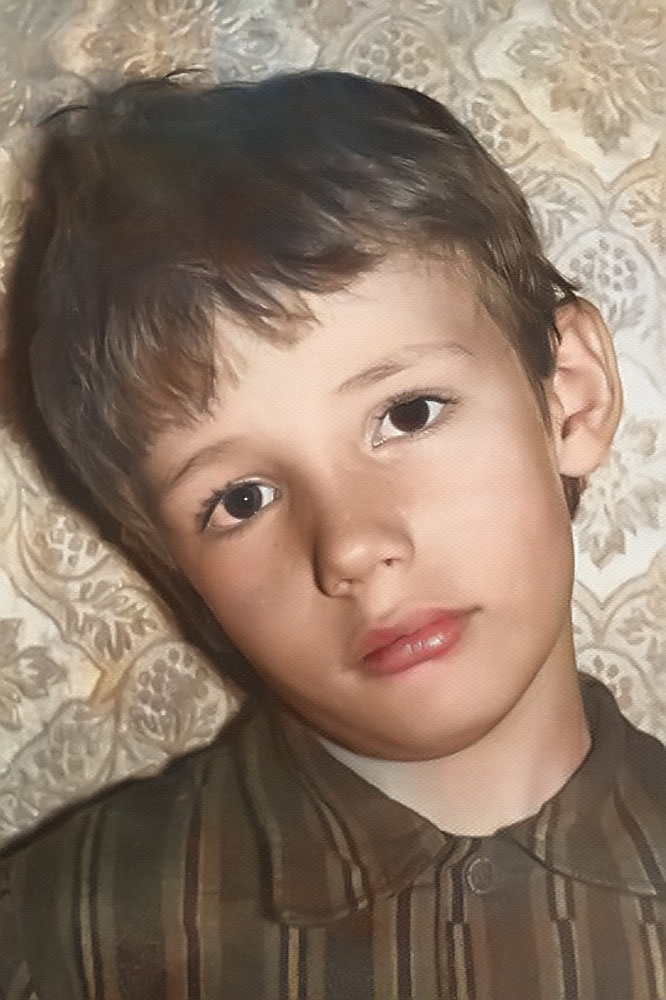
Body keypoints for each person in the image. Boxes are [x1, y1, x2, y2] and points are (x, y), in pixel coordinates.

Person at [0, 70, 664, 1000]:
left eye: (409, 413)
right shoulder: (51, 941)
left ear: (571, 398)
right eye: (241, 499)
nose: (351, 546)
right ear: (175, 569)